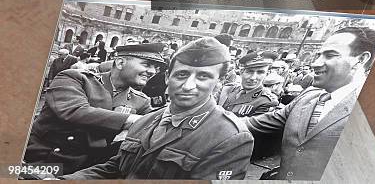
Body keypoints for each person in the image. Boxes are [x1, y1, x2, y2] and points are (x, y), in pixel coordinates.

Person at [62, 37, 254, 180]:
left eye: (203, 76)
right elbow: (116, 168)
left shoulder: (230, 137)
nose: (188, 85)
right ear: (166, 78)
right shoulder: (146, 120)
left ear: (219, 81)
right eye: (181, 75)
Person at [245, 26, 375, 181]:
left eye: (329, 55)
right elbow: (255, 124)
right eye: (318, 55)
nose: (315, 64)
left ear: (361, 59)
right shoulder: (308, 97)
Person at [24, 44, 165, 174]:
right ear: (120, 62)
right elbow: (75, 111)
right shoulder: (75, 78)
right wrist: (135, 120)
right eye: (147, 64)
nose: (152, 71)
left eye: (156, 67)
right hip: (42, 161)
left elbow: (152, 132)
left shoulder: (142, 101)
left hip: (89, 170)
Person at [218, 51, 278, 116]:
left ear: (267, 74)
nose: (253, 77)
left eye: (260, 72)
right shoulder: (227, 89)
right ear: (241, 72)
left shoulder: (267, 101)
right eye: (249, 71)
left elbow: (253, 125)